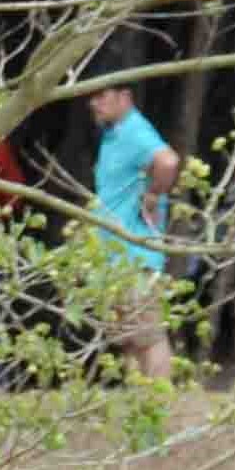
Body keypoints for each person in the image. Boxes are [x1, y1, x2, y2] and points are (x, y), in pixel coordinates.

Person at [81, 75, 179, 383]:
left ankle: (158, 404)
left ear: (125, 97)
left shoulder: (135, 130)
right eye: (92, 97)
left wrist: (153, 196)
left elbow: (168, 161)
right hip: (113, 256)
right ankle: (138, 408)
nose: (94, 103)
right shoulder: (114, 134)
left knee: (149, 335)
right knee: (128, 338)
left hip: (135, 254)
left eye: (101, 96)